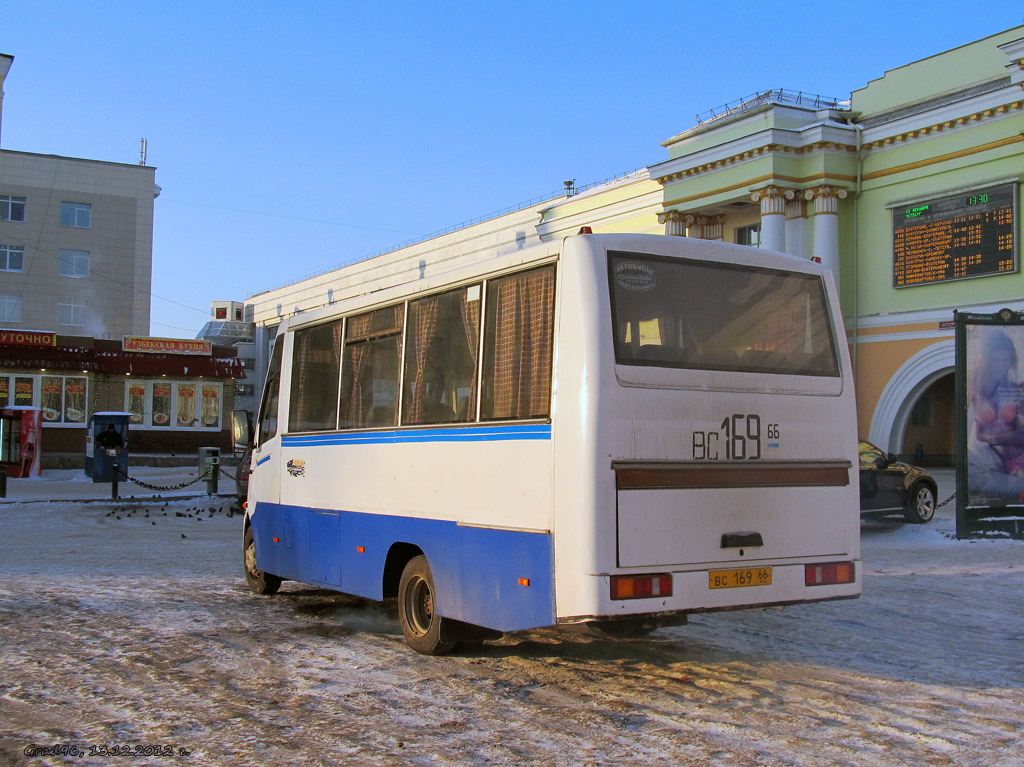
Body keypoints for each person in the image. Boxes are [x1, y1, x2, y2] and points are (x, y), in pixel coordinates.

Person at [966, 329, 1024, 502]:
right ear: (988, 360)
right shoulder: (976, 385)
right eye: (996, 359)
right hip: (979, 463)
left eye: (1005, 360)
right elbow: (982, 434)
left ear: (1010, 361)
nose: (1000, 365)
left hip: (1003, 463)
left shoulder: (1011, 387)